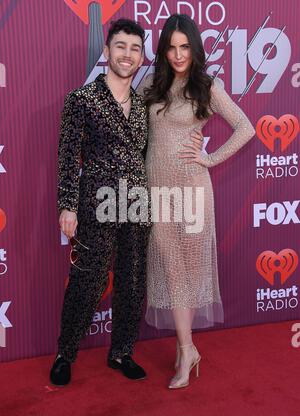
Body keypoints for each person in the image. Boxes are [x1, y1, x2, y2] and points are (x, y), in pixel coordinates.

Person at [137, 14, 255, 389]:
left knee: (185, 270)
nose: (177, 54)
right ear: (163, 50)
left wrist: (210, 157)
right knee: (170, 270)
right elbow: (132, 128)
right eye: (171, 47)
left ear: (194, 47)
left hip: (192, 189)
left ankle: (186, 349)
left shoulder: (207, 86)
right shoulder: (151, 84)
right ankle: (186, 348)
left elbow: (246, 127)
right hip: (157, 191)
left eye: (184, 46)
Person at [50, 18, 150, 385]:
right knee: (87, 280)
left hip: (137, 203)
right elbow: (67, 157)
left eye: (135, 48)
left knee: (132, 282)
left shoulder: (141, 106)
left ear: (141, 57)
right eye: (121, 46)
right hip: (95, 202)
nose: (127, 54)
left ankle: (122, 352)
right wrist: (67, 205)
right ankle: (65, 353)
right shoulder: (81, 100)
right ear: (107, 51)